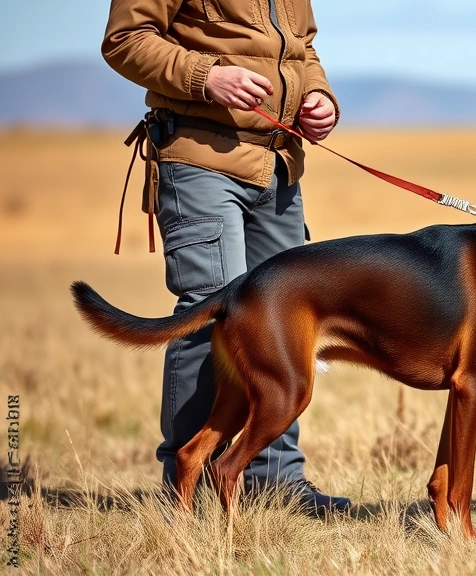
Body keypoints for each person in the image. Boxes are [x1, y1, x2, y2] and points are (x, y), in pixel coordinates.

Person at [102, 0, 349, 516]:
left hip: (280, 165)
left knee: (284, 323)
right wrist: (207, 76)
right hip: (200, 158)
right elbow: (125, 39)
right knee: (208, 311)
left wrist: (319, 95)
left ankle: (273, 481)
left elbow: (301, 49)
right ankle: (187, 486)